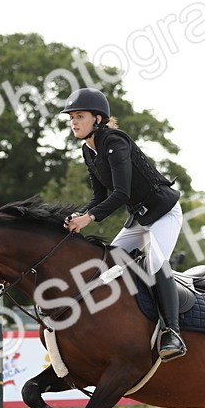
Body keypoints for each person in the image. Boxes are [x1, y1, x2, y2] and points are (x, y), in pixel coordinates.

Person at [60, 88, 186, 361]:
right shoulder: (88, 150)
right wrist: (80, 215)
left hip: (164, 212)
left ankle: (172, 333)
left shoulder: (115, 142)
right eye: (71, 117)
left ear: (97, 118)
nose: (74, 122)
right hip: (139, 218)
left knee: (155, 263)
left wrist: (89, 218)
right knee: (108, 265)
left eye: (79, 116)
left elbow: (122, 193)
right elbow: (99, 197)